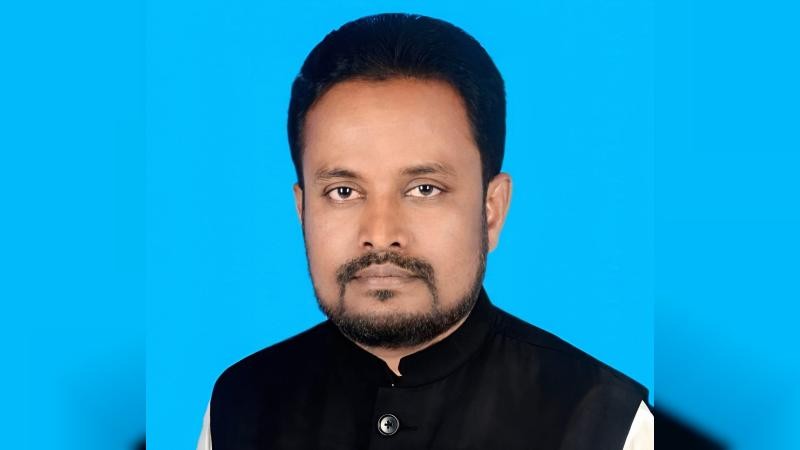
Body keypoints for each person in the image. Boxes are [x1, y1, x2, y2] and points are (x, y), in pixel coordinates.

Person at [196, 13, 653, 450]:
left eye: (424, 189)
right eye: (343, 191)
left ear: (491, 210)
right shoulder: (240, 404)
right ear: (302, 211)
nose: (380, 233)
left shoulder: (607, 422)